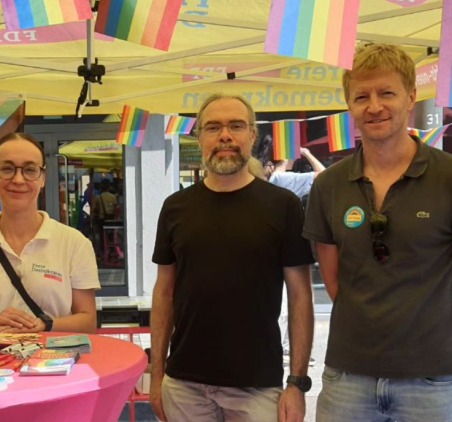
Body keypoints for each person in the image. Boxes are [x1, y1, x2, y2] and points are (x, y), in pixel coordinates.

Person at [304, 43, 452, 421]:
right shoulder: (329, 185)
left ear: (411, 96)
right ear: (349, 106)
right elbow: (333, 280)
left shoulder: (447, 177)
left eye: (386, 93)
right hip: (347, 377)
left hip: (434, 380)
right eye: (361, 96)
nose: (374, 107)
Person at [151, 93, 315, 422]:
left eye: (236, 126)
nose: (225, 135)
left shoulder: (283, 206)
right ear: (199, 138)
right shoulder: (175, 207)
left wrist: (296, 383)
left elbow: (301, 296)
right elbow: (164, 292)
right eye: (213, 127)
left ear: (252, 135)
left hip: (257, 385)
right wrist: (157, 377)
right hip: (185, 383)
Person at [0, 133, 99, 334]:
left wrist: (44, 325)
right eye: (7, 169)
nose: (18, 179)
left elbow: (87, 321)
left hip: (56, 362)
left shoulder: (74, 243)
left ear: (42, 178)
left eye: (30, 170)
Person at [266, 147, 325, 365]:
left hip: (271, 247)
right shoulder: (283, 178)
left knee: (282, 300)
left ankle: (282, 347)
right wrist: (308, 153)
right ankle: (284, 348)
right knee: (292, 300)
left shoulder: (269, 177)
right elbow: (323, 174)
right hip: (287, 248)